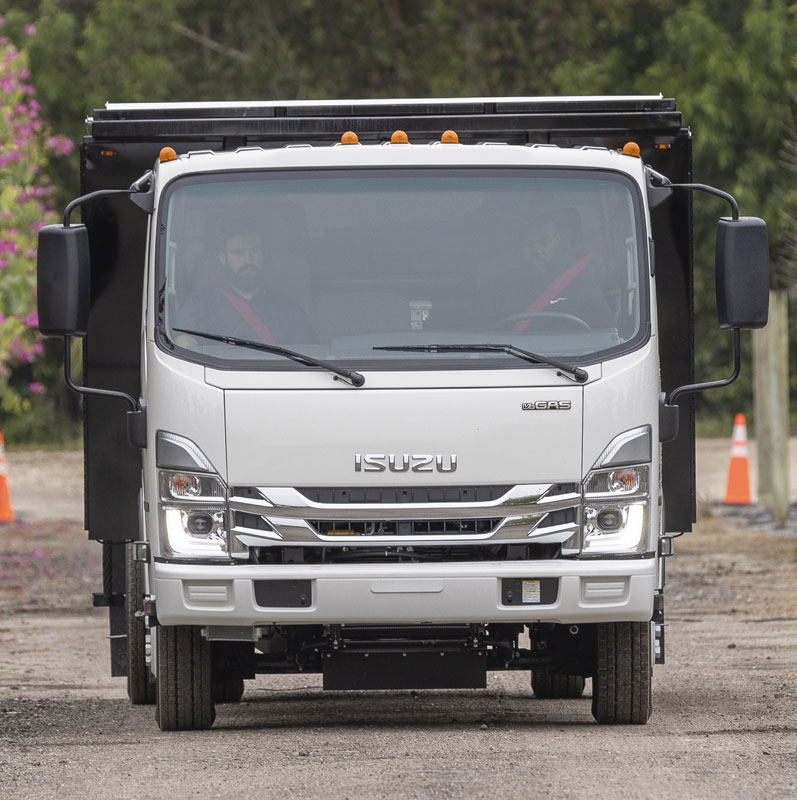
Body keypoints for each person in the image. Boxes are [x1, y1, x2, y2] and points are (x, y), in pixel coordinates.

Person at [173, 213, 315, 347]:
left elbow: (308, 352)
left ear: (264, 254)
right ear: (223, 259)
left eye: (254, 251)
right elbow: (184, 344)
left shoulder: (287, 308)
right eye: (238, 253)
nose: (248, 260)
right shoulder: (201, 304)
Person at [487, 212, 614, 331]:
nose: (537, 250)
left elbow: (604, 332)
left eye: (545, 242)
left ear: (557, 242)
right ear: (519, 245)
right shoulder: (499, 289)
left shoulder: (582, 285)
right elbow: (482, 336)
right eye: (528, 243)